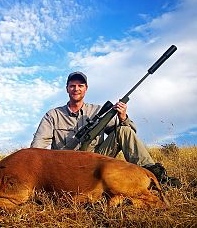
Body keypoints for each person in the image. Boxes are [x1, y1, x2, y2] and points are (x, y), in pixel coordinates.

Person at [30, 71, 181, 187]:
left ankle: (154, 175)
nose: (76, 89)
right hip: (65, 168)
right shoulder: (53, 115)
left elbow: (129, 133)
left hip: (95, 162)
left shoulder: (98, 112)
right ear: (67, 89)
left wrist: (122, 117)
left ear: (86, 89)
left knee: (124, 130)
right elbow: (37, 147)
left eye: (80, 86)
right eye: (72, 86)